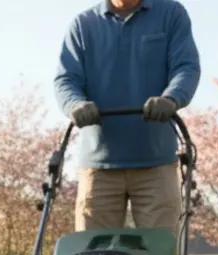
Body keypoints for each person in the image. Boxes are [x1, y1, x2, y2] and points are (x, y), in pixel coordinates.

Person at [53, 0, 201, 236]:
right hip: (99, 164)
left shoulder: (170, 14)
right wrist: (75, 104)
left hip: (156, 161)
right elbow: (66, 80)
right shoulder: (83, 25)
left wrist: (172, 98)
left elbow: (186, 67)